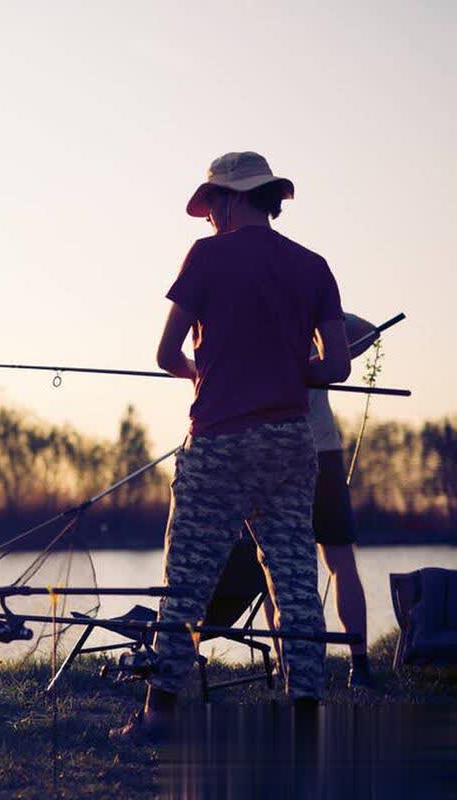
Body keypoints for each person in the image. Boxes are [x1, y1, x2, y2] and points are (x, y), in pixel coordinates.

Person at [112, 151, 351, 741]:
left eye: (213, 203)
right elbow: (338, 365)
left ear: (235, 198)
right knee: (294, 581)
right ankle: (306, 724)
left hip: (219, 440)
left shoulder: (208, 257)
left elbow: (166, 354)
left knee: (186, 579)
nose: (209, 216)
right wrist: (291, 367)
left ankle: (158, 715)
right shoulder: (312, 265)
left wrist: (200, 370)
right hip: (292, 442)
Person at [263, 312, 378, 688]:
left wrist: (318, 321)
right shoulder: (272, 331)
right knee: (278, 570)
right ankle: (288, 665)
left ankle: (356, 664)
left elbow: (367, 333)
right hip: (285, 457)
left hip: (311, 455)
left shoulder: (306, 329)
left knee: (330, 564)